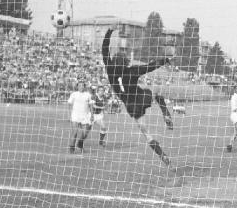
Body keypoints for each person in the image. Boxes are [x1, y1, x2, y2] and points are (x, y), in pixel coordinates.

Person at [102, 28, 173, 166]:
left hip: (130, 106)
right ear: (126, 62)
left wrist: (108, 33)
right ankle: (165, 113)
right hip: (140, 97)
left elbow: (105, 51)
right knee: (156, 93)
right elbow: (149, 67)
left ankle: (162, 155)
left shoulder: (110, 71)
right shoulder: (132, 71)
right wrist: (164, 60)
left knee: (146, 134)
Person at [67, 81, 93, 153]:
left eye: (82, 86)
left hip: (85, 115)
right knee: (75, 132)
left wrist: (92, 115)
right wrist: (69, 115)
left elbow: (91, 105)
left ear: (84, 87)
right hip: (75, 115)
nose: (81, 87)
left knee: (85, 133)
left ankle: (80, 143)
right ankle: (72, 147)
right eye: (80, 85)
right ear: (77, 86)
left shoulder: (88, 95)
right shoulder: (74, 94)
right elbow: (69, 104)